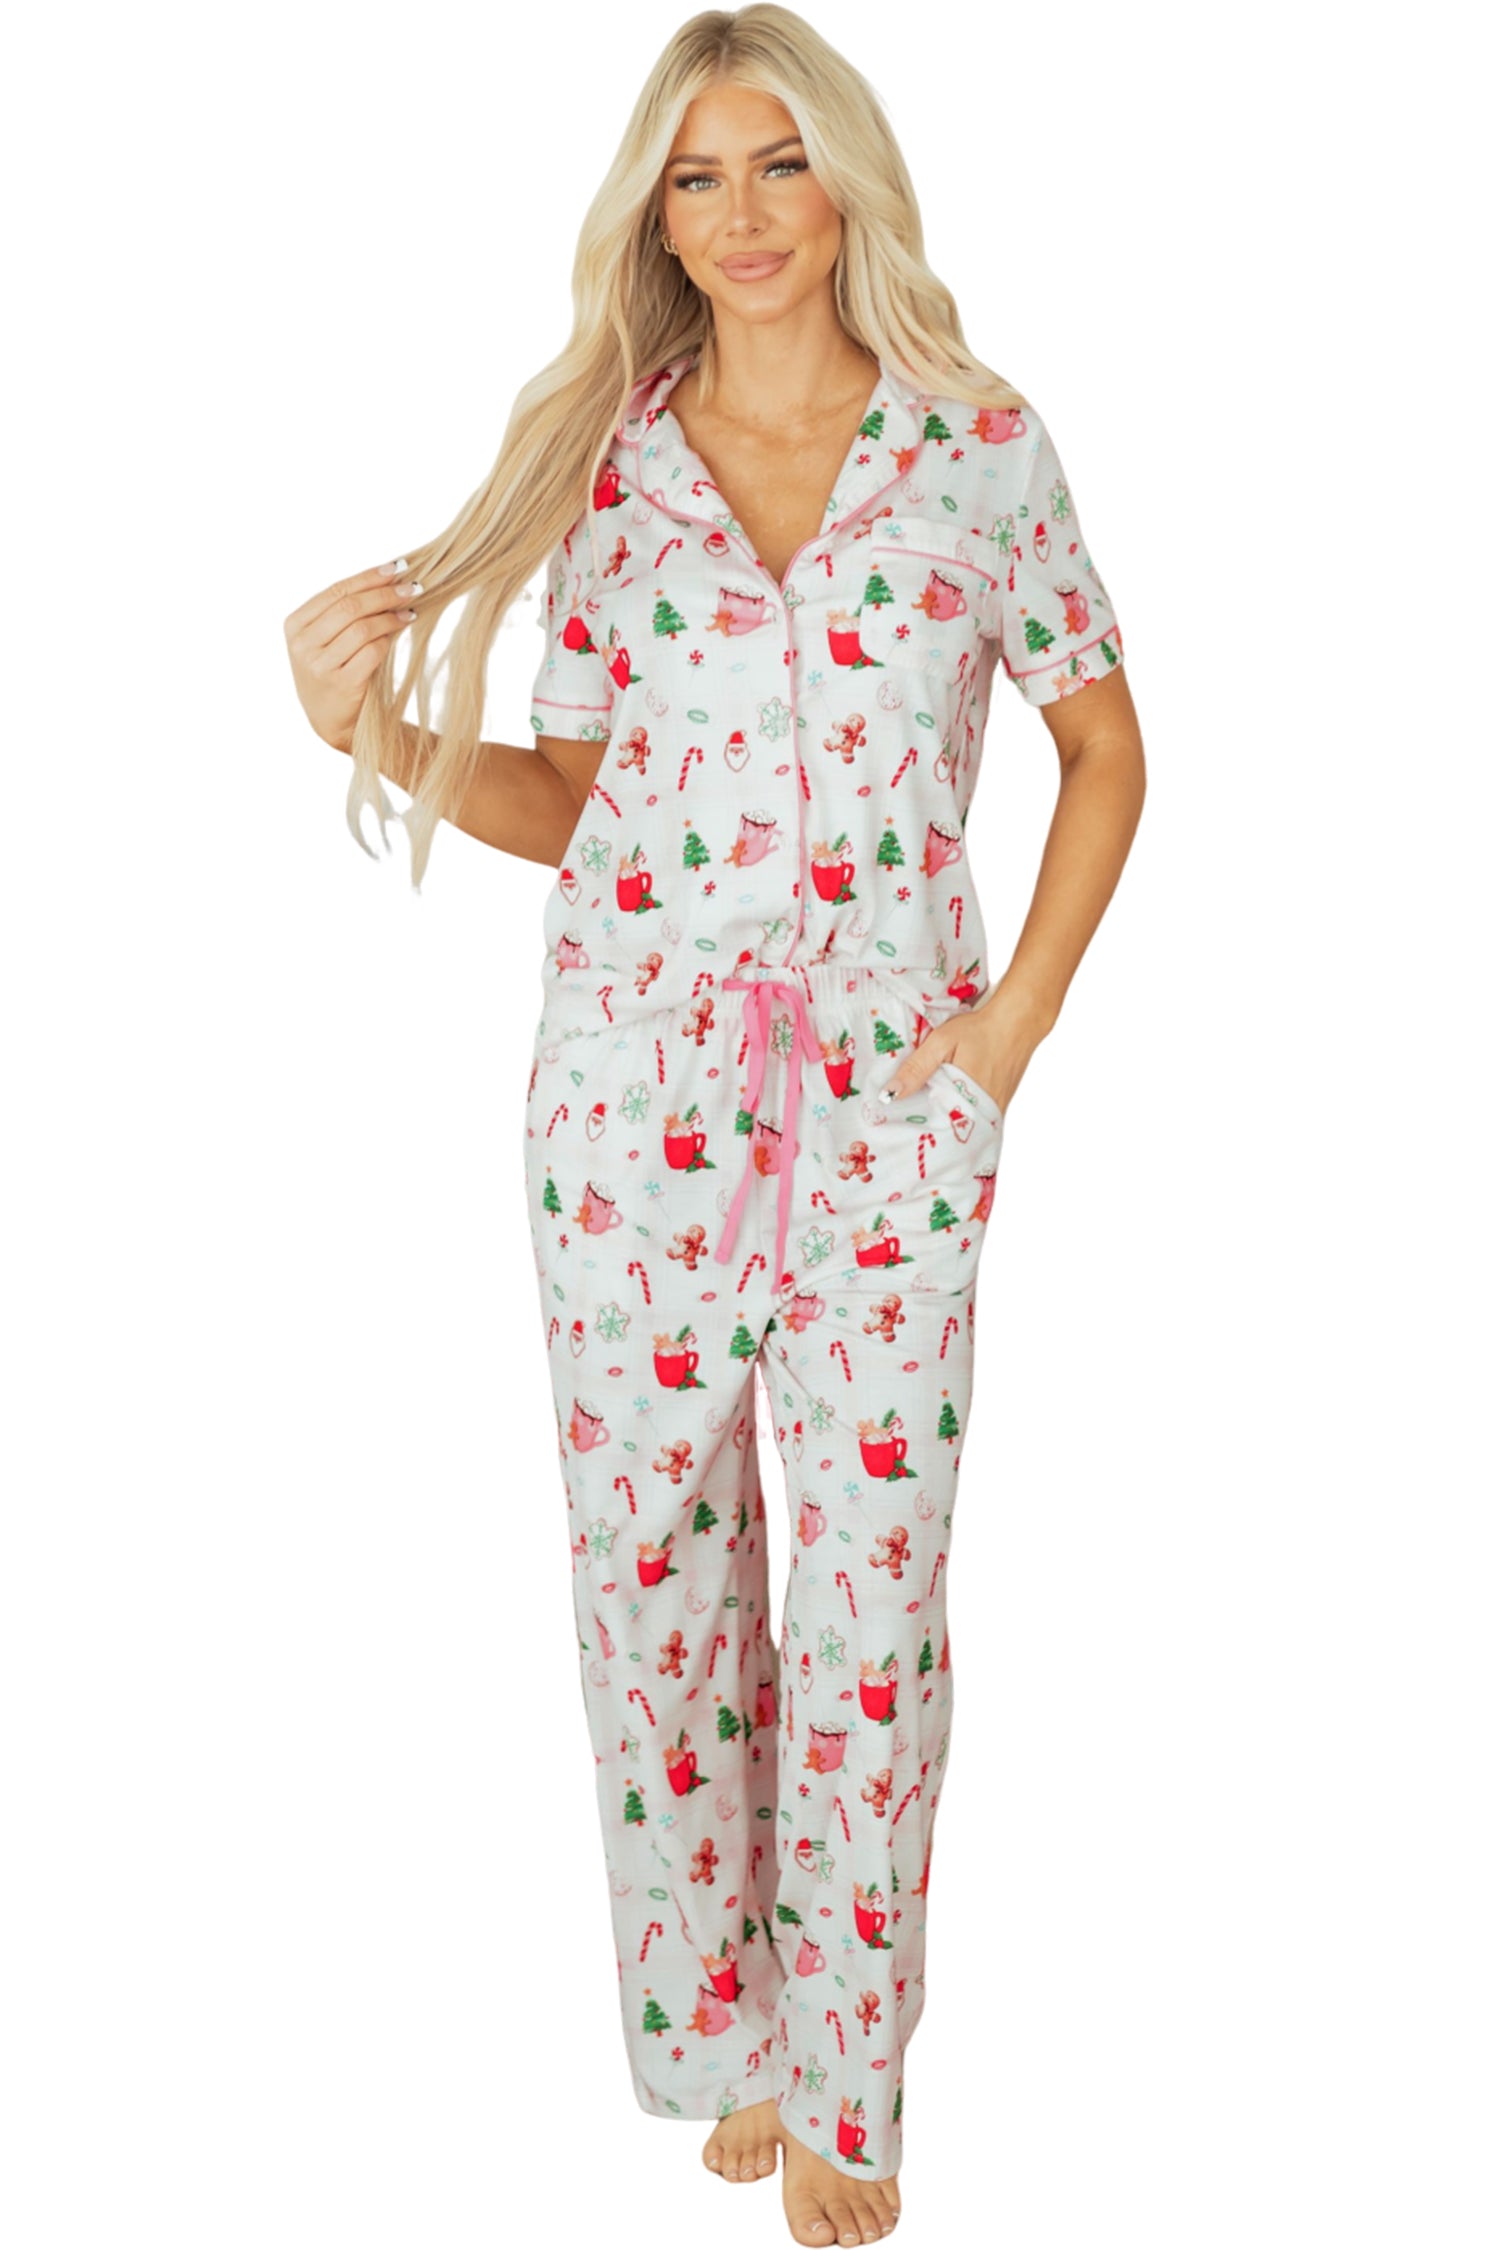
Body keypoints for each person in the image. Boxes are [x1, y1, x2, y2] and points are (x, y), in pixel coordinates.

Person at [283, 8, 1145, 2243]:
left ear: (846, 179)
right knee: (654, 1584)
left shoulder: (978, 446)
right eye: (697, 177)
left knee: (871, 1600)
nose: (745, 215)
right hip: (628, 1108)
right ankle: (726, 2028)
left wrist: (1008, 1032)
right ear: (651, 217)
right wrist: (371, 731)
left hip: (893, 1112)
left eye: (779, 164)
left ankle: (850, 2072)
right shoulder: (613, 471)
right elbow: (571, 801)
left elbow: (1106, 745)